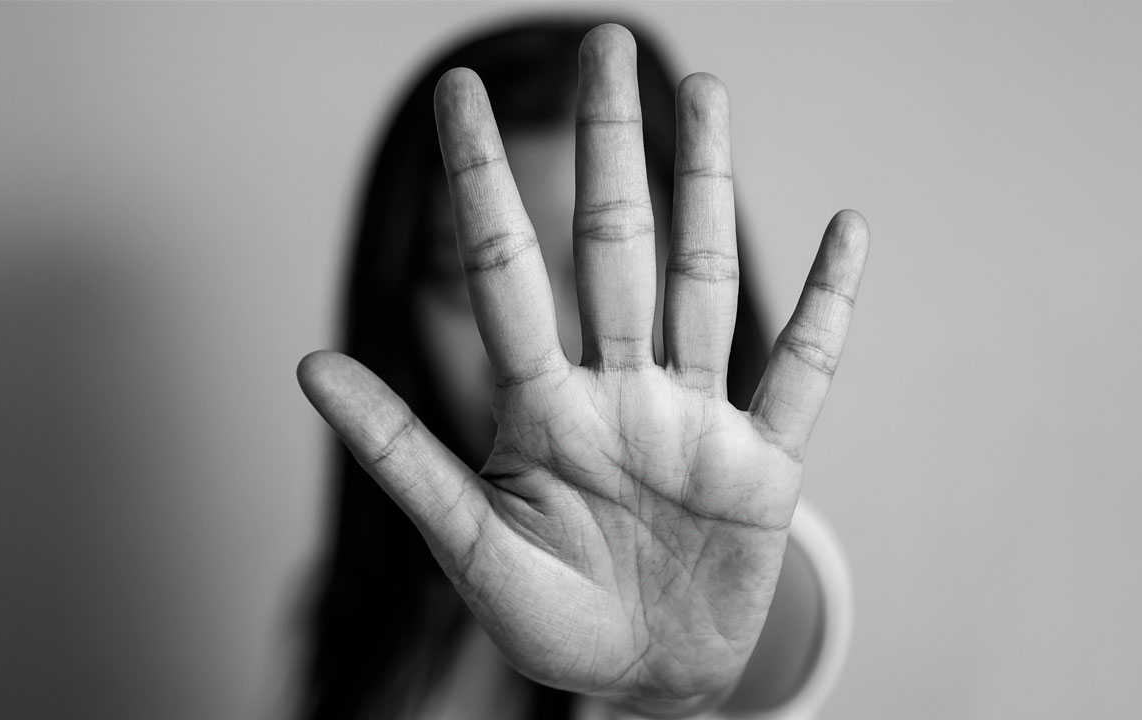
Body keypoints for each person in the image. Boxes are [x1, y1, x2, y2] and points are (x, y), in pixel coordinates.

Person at [297, 19, 869, 720]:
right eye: (461, 278)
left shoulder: (744, 550)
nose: (542, 346)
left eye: (588, 268)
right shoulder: (384, 602)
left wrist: (678, 671)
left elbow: (761, 619)